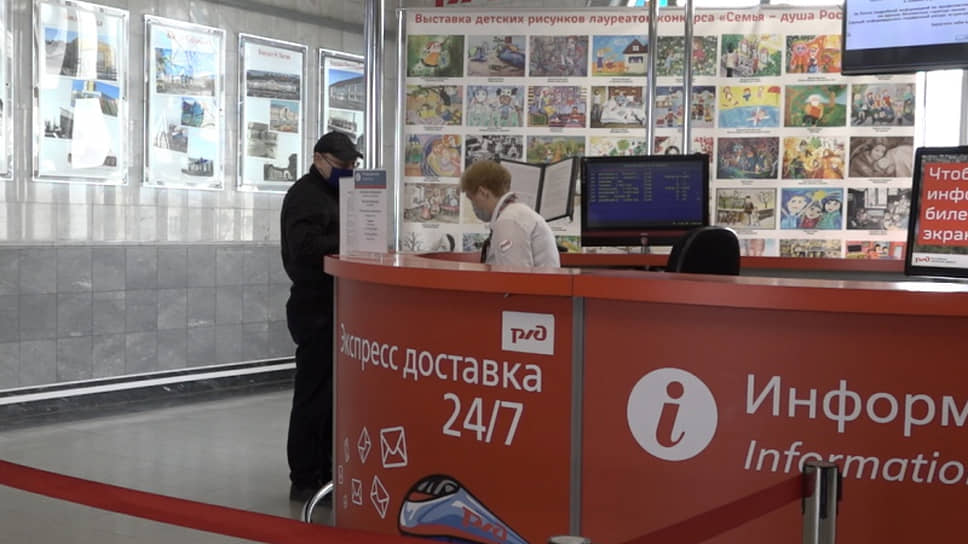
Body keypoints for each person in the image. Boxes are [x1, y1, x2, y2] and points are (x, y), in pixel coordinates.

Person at [280, 131, 362, 502]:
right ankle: (304, 478)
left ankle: (327, 471)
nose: (348, 170)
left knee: (331, 397)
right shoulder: (305, 195)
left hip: (336, 304)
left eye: (352, 164)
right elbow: (304, 250)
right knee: (312, 396)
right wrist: (350, 241)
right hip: (313, 306)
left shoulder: (340, 194)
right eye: (342, 164)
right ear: (319, 159)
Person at [461, 160, 560, 268]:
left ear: (483, 192)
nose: (474, 205)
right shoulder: (516, 213)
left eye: (471, 198)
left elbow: (514, 275)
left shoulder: (508, 221)